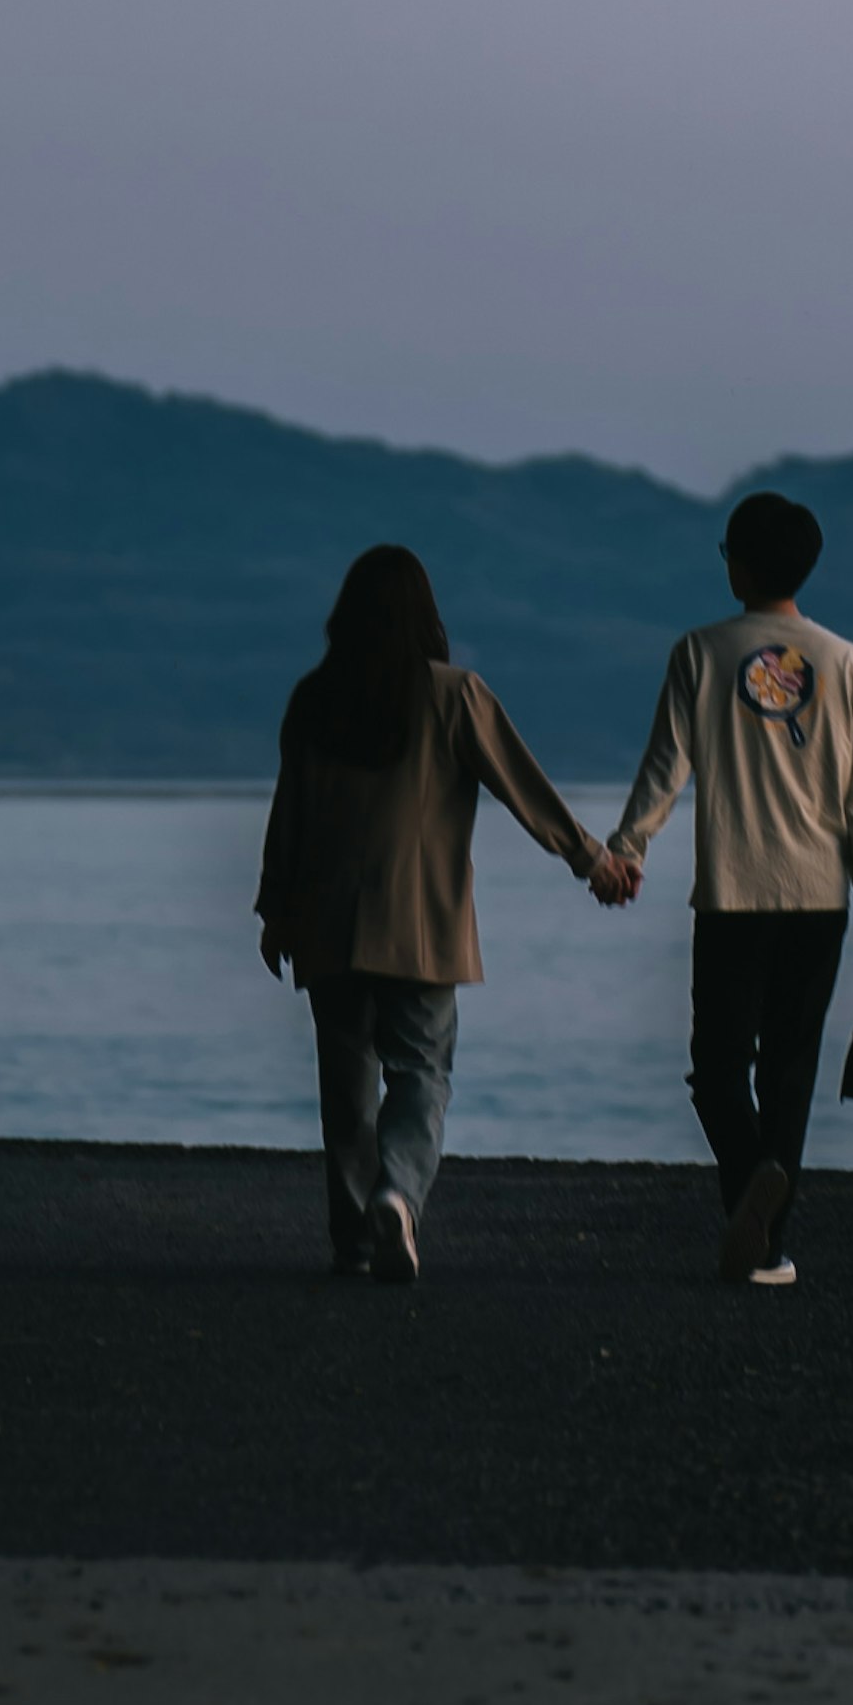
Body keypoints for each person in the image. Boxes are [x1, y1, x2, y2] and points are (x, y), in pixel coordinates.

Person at [255, 542, 625, 1282]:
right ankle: (398, 1191)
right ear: (426, 615)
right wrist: (593, 859)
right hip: (420, 922)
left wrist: (276, 909)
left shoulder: (314, 695)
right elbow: (524, 786)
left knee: (347, 1088)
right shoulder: (454, 694)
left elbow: (287, 811)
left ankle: (356, 1240)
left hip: (326, 922)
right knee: (422, 1070)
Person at [606, 489, 853, 1290]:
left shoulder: (700, 651)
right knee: (790, 1072)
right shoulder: (848, 662)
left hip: (733, 894)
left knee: (718, 1066)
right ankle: (769, 1248)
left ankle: (753, 1182)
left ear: (740, 559)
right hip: (819, 900)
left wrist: (628, 849)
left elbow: (667, 769)